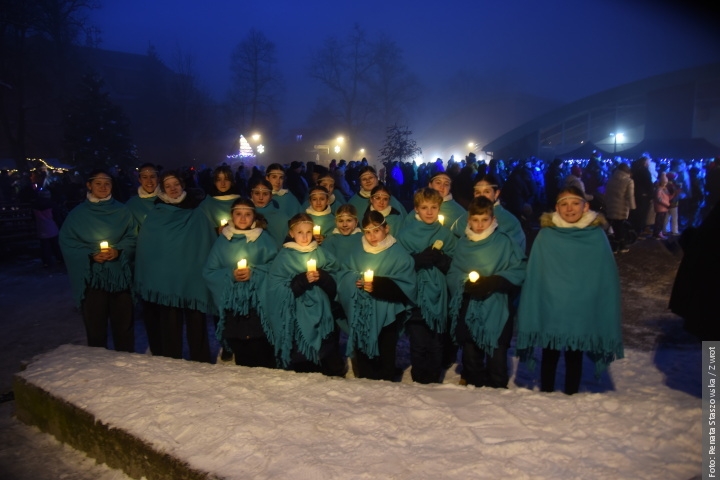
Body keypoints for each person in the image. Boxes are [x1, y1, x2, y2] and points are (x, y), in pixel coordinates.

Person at [516, 186, 623, 395]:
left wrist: (591, 295)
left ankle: (571, 393)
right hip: (552, 303)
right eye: (564, 204)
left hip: (581, 305)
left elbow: (604, 274)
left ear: (585, 207)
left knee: (575, 352)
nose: (570, 208)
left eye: (575, 203)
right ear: (557, 208)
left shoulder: (596, 236)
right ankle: (547, 391)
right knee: (550, 349)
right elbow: (537, 272)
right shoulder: (547, 235)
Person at [135, 170, 215, 362]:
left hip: (193, 277)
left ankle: (201, 362)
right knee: (169, 323)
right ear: (162, 189)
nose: (173, 189)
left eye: (176, 185)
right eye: (168, 186)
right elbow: (148, 247)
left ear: (182, 185)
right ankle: (171, 362)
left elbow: (208, 242)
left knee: (196, 321)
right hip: (167, 281)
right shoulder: (156, 215)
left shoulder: (197, 213)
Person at [448, 196, 526, 388]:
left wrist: (495, 281)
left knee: (497, 359)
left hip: (497, 304)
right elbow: (453, 272)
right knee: (471, 357)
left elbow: (519, 268)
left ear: (493, 219)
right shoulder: (463, 243)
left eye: (485, 219)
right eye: (475, 220)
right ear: (469, 220)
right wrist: (465, 282)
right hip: (469, 307)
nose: (480, 224)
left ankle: (497, 392)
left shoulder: (504, 242)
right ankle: (475, 391)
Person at [59, 169, 137, 352]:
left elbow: (133, 237)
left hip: (119, 277)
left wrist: (118, 250)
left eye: (107, 183)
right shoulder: (77, 215)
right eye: (98, 183)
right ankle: (98, 364)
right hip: (93, 279)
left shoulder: (122, 211)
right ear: (89, 185)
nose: (103, 187)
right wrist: (90, 254)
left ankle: (126, 363)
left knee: (123, 327)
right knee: (96, 329)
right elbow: (67, 242)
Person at [336, 211, 417, 381]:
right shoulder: (357, 251)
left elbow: (405, 286)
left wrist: (379, 285)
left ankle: (386, 383)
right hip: (362, 315)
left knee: (385, 352)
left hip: (388, 314)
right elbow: (343, 275)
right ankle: (365, 382)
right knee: (364, 357)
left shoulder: (398, 254)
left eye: (376, 230)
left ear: (386, 229)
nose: (372, 236)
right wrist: (355, 280)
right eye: (367, 232)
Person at [264, 213, 346, 377]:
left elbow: (337, 277)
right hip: (298, 316)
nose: (305, 236)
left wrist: (323, 277)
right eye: (300, 232)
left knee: (328, 357)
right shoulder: (284, 257)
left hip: (323, 315)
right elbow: (275, 289)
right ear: (291, 233)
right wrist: (301, 280)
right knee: (305, 366)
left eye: (308, 232)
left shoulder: (321, 253)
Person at [203, 198, 279, 368]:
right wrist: (230, 275)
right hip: (234, 306)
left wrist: (255, 273)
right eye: (238, 214)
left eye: (247, 214)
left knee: (261, 346)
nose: (243, 218)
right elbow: (210, 272)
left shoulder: (263, 238)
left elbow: (276, 267)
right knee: (241, 349)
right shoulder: (223, 241)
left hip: (257, 305)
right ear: (232, 216)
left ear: (254, 216)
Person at [396, 188, 456, 384]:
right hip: (416, 295)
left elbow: (456, 263)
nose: (429, 212)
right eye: (424, 208)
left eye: (433, 207)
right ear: (416, 209)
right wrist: (416, 260)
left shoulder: (445, 234)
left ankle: (434, 379)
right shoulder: (406, 234)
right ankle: (420, 379)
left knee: (436, 342)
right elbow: (397, 263)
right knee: (419, 341)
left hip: (439, 297)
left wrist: (443, 260)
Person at [451, 174, 526, 253]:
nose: (482, 196)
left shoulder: (510, 221)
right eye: (478, 192)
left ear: (496, 193)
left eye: (487, 192)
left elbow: (514, 250)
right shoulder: (464, 218)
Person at [197, 165, 241, 234]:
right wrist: (216, 230)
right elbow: (201, 228)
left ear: (231, 181)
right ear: (214, 182)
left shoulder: (241, 202)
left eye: (226, 179)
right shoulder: (207, 204)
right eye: (219, 180)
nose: (223, 183)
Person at [248, 178, 290, 248]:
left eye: (265, 194)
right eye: (257, 193)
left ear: (271, 196)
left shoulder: (282, 217)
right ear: (251, 194)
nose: (261, 198)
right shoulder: (245, 215)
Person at [604, 163, 636, 253]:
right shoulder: (628, 181)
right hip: (622, 207)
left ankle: (615, 246)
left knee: (615, 226)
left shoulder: (611, 179)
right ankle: (621, 246)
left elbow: (607, 193)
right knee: (620, 226)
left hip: (611, 206)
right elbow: (630, 196)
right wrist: (633, 207)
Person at [125, 163, 160, 228]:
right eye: (145, 177)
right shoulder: (131, 205)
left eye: (152, 177)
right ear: (140, 180)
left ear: (158, 178)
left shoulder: (168, 199)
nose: (149, 181)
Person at [652, 172, 671, 240]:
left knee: (661, 221)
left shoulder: (664, 189)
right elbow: (659, 199)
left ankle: (658, 233)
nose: (665, 184)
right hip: (661, 207)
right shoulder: (659, 189)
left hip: (663, 208)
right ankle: (657, 233)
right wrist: (667, 204)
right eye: (664, 183)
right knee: (659, 222)